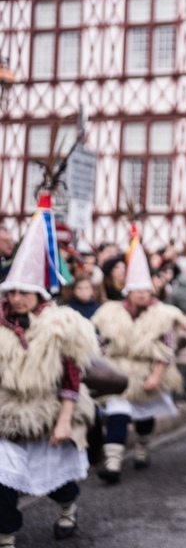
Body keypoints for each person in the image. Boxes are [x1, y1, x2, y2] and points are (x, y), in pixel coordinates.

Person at [0, 195, 100, 546]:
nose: (16, 298)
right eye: (11, 291)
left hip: (48, 410)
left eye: (24, 291)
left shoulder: (61, 324)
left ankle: (68, 506)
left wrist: (64, 419)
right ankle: (6, 536)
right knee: (2, 480)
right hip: (8, 414)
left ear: (38, 293)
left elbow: (72, 376)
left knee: (55, 481)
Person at [91, 237, 186, 483]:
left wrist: (156, 376)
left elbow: (167, 348)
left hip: (147, 370)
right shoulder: (111, 313)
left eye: (146, 290)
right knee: (117, 411)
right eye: (138, 291)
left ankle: (142, 446)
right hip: (119, 370)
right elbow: (102, 342)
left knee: (144, 417)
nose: (143, 295)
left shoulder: (163, 315)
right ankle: (113, 463)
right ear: (128, 292)